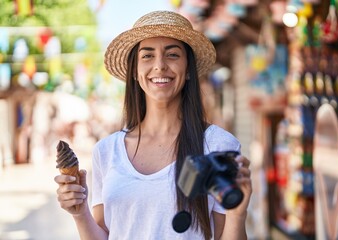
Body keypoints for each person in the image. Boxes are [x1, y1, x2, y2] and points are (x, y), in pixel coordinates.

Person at [54, 10, 252, 240]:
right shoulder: (106, 151)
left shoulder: (218, 145)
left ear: (188, 69)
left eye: (173, 55)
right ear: (135, 72)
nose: (159, 65)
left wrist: (238, 213)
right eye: (147, 56)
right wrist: (80, 214)